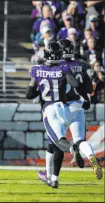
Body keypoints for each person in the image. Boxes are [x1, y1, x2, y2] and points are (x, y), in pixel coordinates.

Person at [37, 39, 103, 186]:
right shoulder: (80, 64)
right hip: (78, 105)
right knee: (80, 141)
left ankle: (50, 176)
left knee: (55, 143)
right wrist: (86, 99)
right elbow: (88, 88)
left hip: (60, 107)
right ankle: (91, 156)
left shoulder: (59, 67)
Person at [25, 41, 87, 188]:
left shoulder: (37, 70)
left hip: (50, 110)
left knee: (59, 141)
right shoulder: (64, 68)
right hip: (64, 108)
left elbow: (29, 94)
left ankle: (73, 149)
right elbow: (76, 85)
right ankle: (53, 178)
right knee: (55, 145)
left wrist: (40, 87)